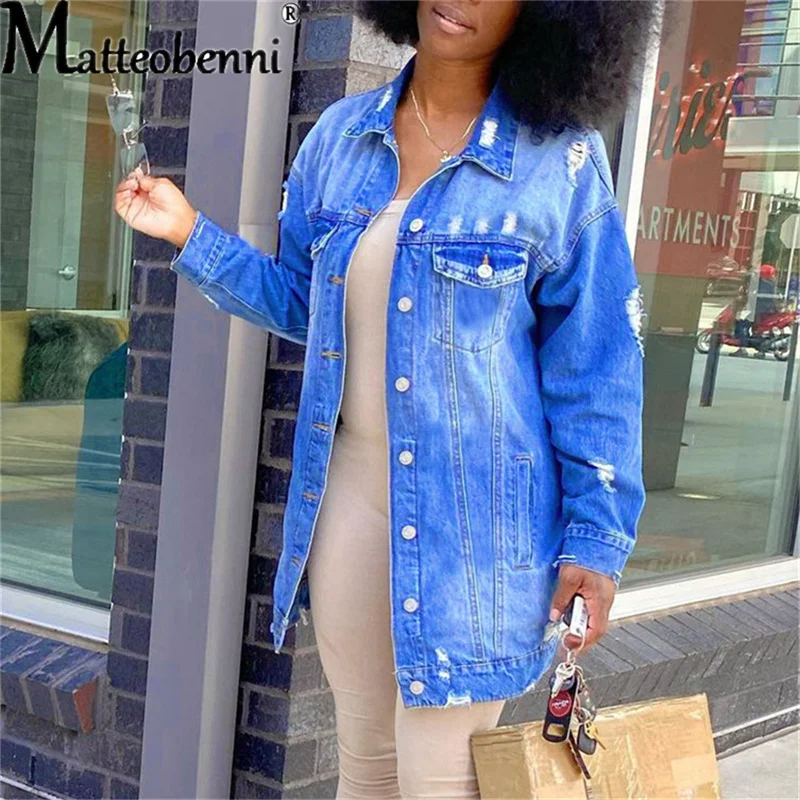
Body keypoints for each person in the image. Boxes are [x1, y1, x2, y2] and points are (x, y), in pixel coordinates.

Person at [114, 2, 655, 796]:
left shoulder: (560, 160)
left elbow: (597, 369)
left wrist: (597, 542)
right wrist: (190, 231)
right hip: (351, 511)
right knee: (365, 770)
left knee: (441, 780)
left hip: (477, 533)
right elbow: (303, 302)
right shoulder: (340, 137)